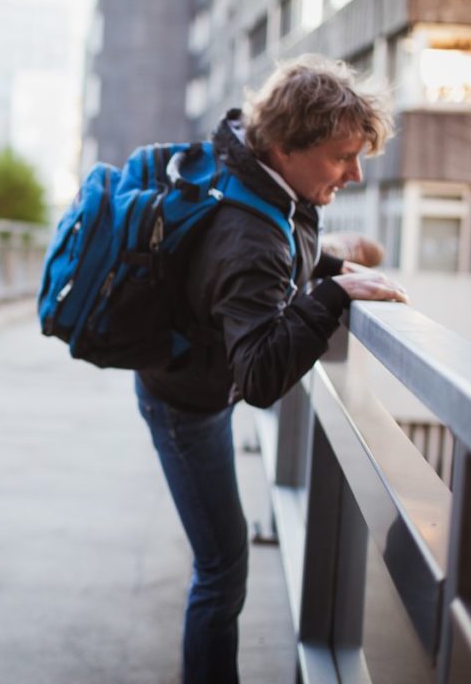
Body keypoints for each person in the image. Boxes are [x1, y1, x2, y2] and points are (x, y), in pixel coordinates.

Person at [134, 54, 408, 684]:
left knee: (222, 563)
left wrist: (335, 273)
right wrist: (334, 299)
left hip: (189, 380)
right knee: (223, 567)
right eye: (343, 156)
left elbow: (281, 256)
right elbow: (259, 379)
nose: (356, 174)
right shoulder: (251, 232)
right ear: (287, 145)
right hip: (186, 404)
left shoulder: (258, 179)